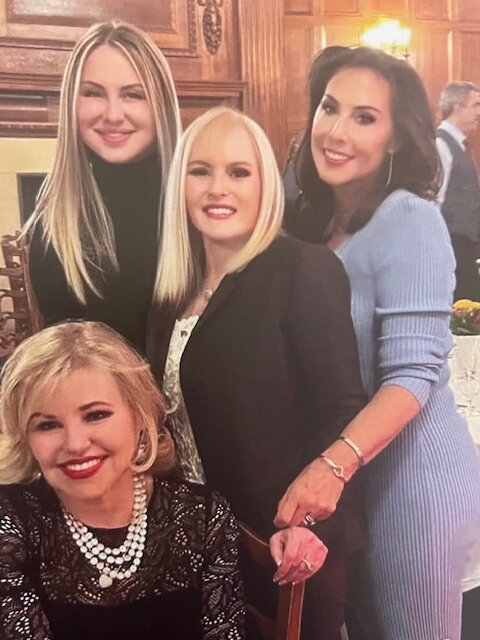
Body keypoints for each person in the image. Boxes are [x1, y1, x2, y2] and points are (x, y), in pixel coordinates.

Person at [282, 46, 480, 640]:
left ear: (396, 140)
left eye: (364, 117)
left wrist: (330, 467)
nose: (336, 131)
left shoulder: (408, 217)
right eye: (329, 108)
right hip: (362, 476)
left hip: (413, 481)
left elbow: (413, 373)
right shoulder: (318, 221)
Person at [148, 106, 368, 639]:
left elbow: (340, 410)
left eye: (238, 172)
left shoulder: (301, 269)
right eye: (200, 171)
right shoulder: (171, 292)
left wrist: (308, 526)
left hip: (288, 548)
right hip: (205, 546)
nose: (217, 188)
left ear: (265, 184)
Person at [0, 321, 245, 640]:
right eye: (47, 425)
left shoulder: (204, 517)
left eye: (95, 415)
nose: (74, 444)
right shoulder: (13, 523)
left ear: (140, 418)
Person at [26, 21, 181, 352]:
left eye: (133, 95)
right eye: (94, 93)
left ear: (161, 105)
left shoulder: (196, 204)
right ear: (72, 103)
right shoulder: (55, 225)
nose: (113, 114)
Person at [436, 81, 480, 301]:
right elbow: (435, 200)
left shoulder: (459, 147)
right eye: (476, 105)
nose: (479, 113)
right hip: (451, 247)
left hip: (464, 248)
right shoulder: (440, 145)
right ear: (457, 107)